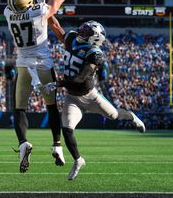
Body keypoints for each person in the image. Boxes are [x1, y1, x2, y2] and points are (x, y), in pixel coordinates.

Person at [42, 19, 146, 180]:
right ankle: (78, 160)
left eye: (86, 31)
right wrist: (48, 13)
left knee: (114, 116)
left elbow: (80, 78)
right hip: (72, 98)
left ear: (94, 38)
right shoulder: (72, 39)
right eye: (83, 29)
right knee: (67, 130)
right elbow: (57, 28)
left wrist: (58, 83)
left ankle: (131, 116)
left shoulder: (94, 53)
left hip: (91, 97)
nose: (81, 31)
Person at [3, 0, 66, 173]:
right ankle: (57, 145)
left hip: (23, 65)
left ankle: (23, 144)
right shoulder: (40, 11)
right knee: (51, 106)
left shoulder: (9, 14)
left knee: (19, 108)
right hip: (44, 65)